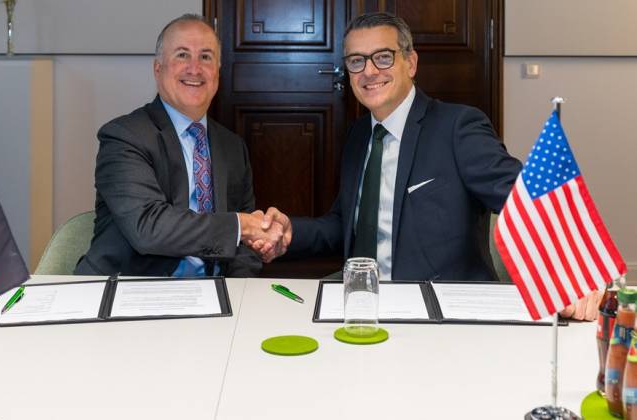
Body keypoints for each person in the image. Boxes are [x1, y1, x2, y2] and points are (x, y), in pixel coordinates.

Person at [252, 12, 600, 320]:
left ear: (411, 63)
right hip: (364, 306)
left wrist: (579, 275)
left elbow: (522, 200)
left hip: (443, 313)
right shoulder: (360, 135)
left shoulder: (457, 127)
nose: (369, 71)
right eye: (356, 61)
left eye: (383, 57)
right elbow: (347, 225)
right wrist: (289, 232)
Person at [76, 14, 285, 278]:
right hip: (131, 294)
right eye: (182, 55)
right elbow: (148, 228)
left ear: (218, 73)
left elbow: (245, 251)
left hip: (213, 295)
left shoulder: (233, 147)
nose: (195, 69)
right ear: (157, 68)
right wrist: (241, 226)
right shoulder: (123, 136)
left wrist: (239, 293)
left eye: (206, 57)